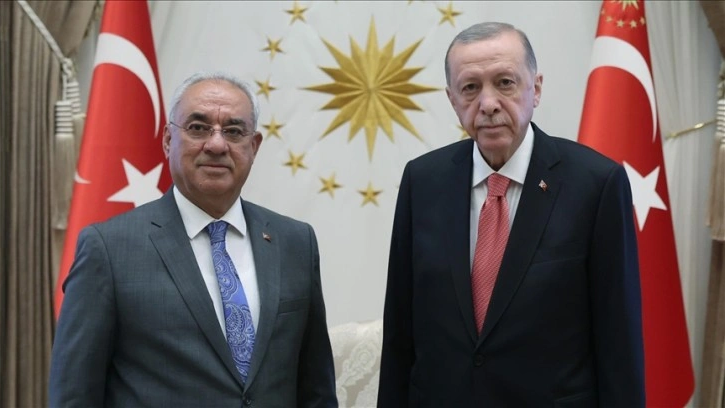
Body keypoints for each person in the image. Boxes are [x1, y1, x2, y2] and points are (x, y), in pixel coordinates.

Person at [377, 22, 645, 406]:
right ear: (452, 99)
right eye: (470, 88)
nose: (488, 104)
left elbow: (619, 343)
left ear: (536, 89)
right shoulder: (422, 181)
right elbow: (400, 334)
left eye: (505, 83)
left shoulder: (596, 184)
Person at [49, 72, 338, 407]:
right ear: (168, 140)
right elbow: (74, 396)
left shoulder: (296, 242)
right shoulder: (109, 249)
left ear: (254, 146)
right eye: (198, 128)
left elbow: (316, 391)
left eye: (233, 131)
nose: (216, 145)